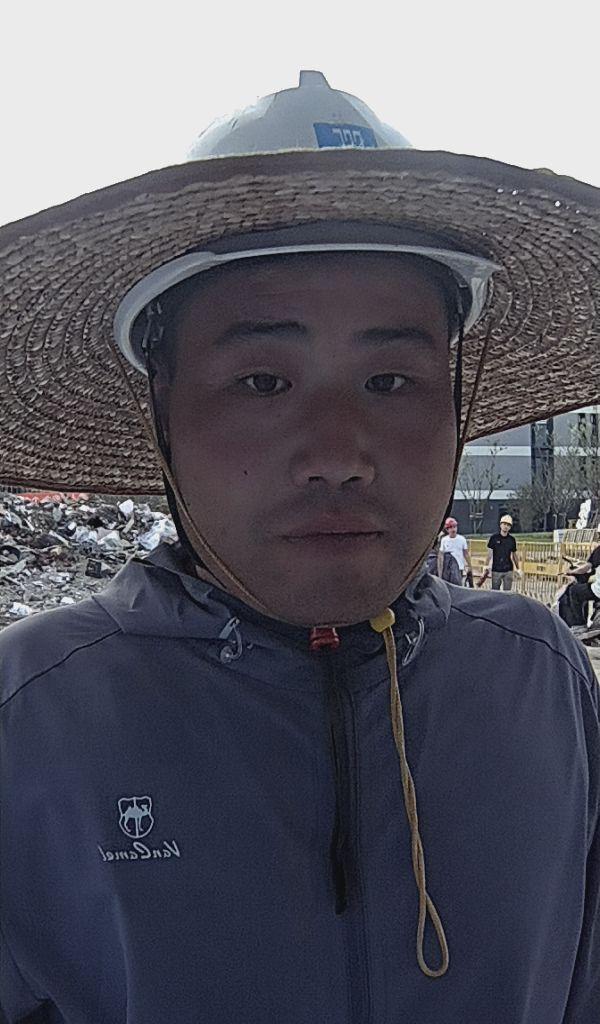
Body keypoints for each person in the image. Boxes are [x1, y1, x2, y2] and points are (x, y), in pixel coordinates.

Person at [1, 71, 599, 1024]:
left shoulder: (541, 681)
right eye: (263, 382)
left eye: (392, 381)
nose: (337, 455)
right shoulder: (31, 717)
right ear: (162, 408)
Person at [559, 538, 600, 627]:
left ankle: (579, 624)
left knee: (574, 591)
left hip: (598, 591)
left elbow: (586, 568)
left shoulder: (598, 551)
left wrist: (572, 572)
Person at [486, 514, 521, 590]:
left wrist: (518, 568)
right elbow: (489, 553)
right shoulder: (494, 538)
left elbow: (514, 555)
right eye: (504, 524)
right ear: (500, 525)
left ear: (510, 527)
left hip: (508, 570)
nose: (506, 526)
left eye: (508, 525)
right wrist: (486, 565)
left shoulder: (512, 540)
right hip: (496, 569)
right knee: (495, 591)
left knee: (507, 592)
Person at [439, 517, 472, 584]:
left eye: (454, 527)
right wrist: (440, 571)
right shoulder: (444, 540)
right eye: (451, 527)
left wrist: (470, 566)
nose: (453, 529)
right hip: (447, 569)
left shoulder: (462, 539)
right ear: (447, 529)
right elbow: (441, 556)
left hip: (459, 568)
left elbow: (466, 553)